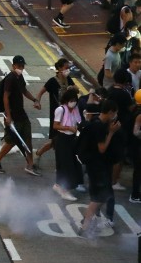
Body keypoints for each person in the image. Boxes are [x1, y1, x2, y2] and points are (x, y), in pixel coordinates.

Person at [0, 55, 43, 176]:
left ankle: (30, 165)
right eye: (19, 66)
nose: (21, 68)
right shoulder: (10, 78)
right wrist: (8, 116)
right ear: (13, 66)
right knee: (11, 141)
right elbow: (5, 97)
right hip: (12, 114)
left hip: (21, 113)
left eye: (22, 66)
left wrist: (35, 100)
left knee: (27, 139)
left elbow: (24, 91)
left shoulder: (19, 77)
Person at [78, 101, 119, 237]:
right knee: (98, 198)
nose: (115, 116)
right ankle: (84, 227)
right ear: (111, 112)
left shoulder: (95, 121)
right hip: (97, 167)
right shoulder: (99, 127)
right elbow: (102, 148)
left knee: (101, 196)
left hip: (95, 165)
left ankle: (86, 220)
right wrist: (111, 133)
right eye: (115, 113)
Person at [49, 87, 83, 201]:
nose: (73, 103)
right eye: (71, 100)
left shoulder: (75, 109)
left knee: (71, 163)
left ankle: (59, 185)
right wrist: (68, 128)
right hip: (63, 140)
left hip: (72, 139)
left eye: (75, 100)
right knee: (66, 165)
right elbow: (55, 125)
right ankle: (65, 190)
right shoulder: (60, 110)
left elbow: (78, 121)